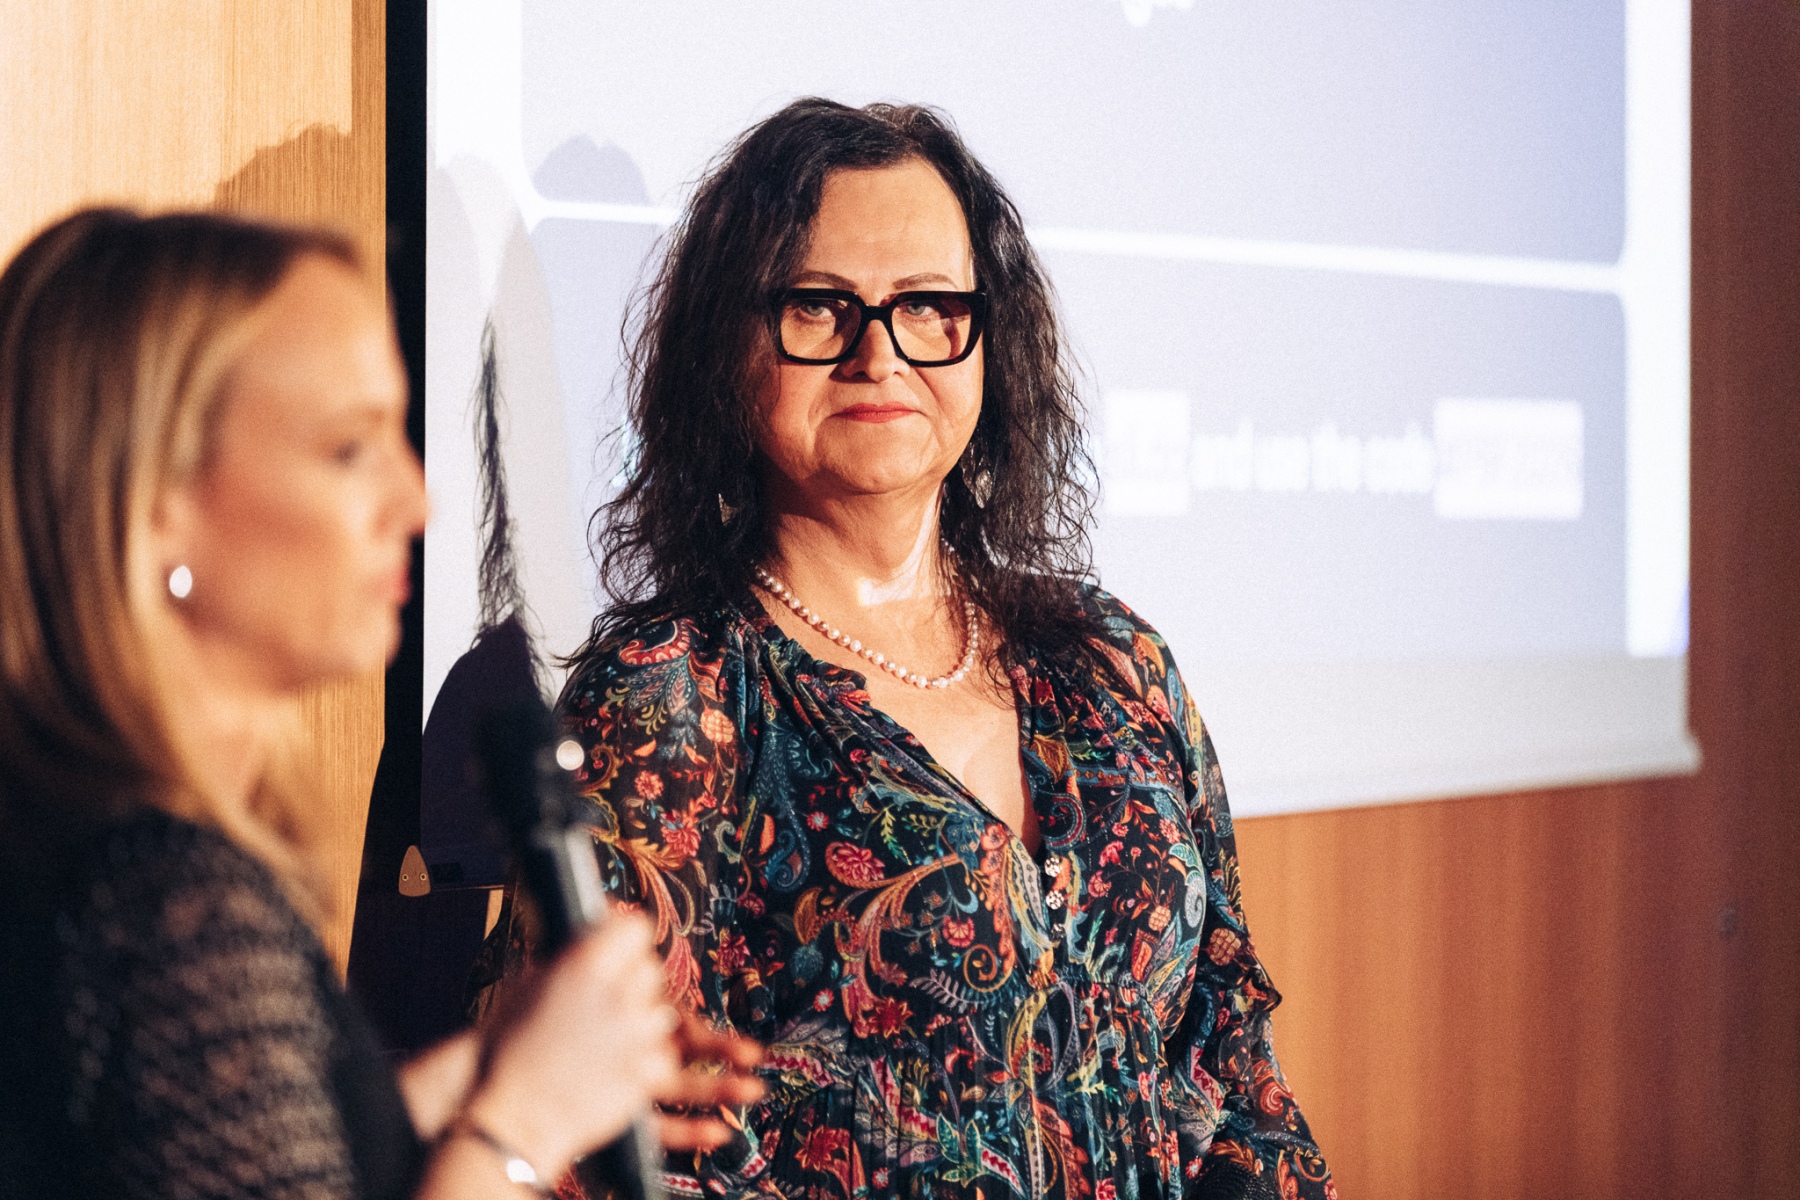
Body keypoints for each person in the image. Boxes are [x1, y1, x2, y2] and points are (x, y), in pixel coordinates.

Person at [491, 99, 1333, 1199]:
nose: (878, 352)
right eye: (818, 307)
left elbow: (1234, 1062)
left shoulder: (1115, 662)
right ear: (729, 347)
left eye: (930, 306)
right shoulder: (670, 701)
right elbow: (616, 1150)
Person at [0, 208, 762, 1199]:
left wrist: (484, 1077)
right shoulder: (165, 905)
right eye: (349, 449)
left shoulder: (96, 853)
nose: (416, 501)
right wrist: (522, 1122)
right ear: (154, 506)